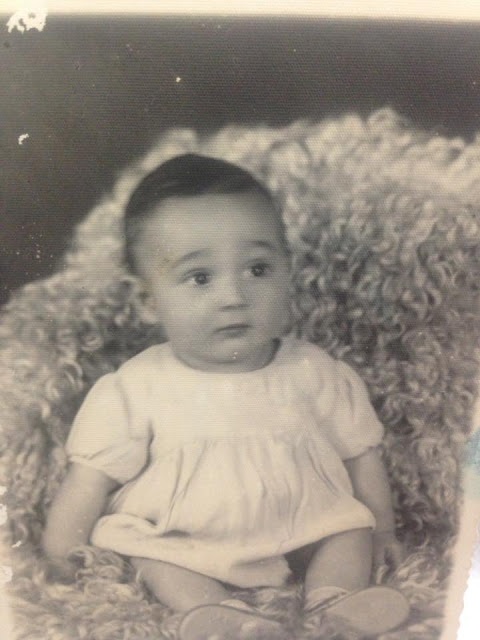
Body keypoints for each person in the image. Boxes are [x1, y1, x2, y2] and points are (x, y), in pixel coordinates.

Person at [42, 154, 410, 639]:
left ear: (288, 272)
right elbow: (89, 480)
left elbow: (362, 455)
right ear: (147, 300)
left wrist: (382, 529)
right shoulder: (136, 387)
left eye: (257, 269)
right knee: (150, 557)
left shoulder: (316, 372)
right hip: (184, 540)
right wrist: (61, 552)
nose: (234, 296)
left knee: (349, 530)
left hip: (303, 526)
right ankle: (223, 616)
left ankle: (333, 607)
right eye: (200, 278)